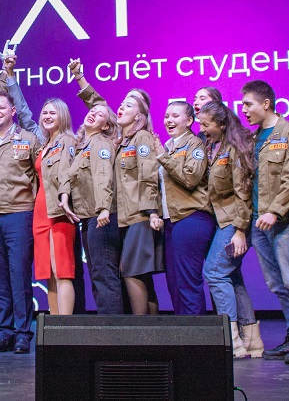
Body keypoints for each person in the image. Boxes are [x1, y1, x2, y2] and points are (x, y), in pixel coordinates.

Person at [70, 60, 164, 315]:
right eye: (122, 103)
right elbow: (99, 107)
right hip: (124, 217)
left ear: (140, 115)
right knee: (134, 275)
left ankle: (139, 330)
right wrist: (80, 77)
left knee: (132, 274)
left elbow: (148, 176)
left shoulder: (141, 137)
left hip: (137, 215)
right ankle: (148, 330)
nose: (120, 107)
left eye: (129, 104)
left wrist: (152, 212)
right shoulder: (120, 141)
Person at [241, 80, 289, 365]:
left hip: (285, 221)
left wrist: (274, 211)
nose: (244, 110)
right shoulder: (253, 138)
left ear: (266, 104)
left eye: (248, 104)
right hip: (258, 222)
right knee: (276, 283)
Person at [2, 56, 78, 316]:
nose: (46, 116)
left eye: (52, 112)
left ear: (62, 116)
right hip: (40, 212)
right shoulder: (42, 142)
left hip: (59, 209)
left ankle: (65, 328)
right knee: (48, 273)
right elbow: (23, 113)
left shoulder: (68, 140)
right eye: (44, 112)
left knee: (62, 270)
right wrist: (10, 77)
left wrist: (65, 198)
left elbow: (67, 172)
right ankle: (55, 327)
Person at [0, 88, 41, 354]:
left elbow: (41, 176)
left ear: (13, 111)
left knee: (19, 275)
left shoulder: (29, 139)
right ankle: (3, 332)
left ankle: (23, 333)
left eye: (1, 107)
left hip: (20, 214)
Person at [198, 101, 263, 358]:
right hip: (220, 220)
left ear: (222, 124)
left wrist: (240, 231)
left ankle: (232, 339)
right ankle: (252, 340)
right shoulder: (212, 147)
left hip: (234, 221)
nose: (202, 129)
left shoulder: (235, 149)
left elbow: (243, 192)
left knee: (214, 273)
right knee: (232, 277)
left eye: (206, 124)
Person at [64, 95, 123, 314]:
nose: (93, 114)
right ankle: (106, 326)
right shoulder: (84, 146)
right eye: (92, 111)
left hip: (102, 217)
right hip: (89, 217)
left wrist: (104, 208)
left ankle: (113, 329)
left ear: (106, 126)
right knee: (98, 274)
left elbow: (103, 175)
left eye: (100, 115)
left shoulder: (100, 143)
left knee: (104, 274)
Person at [156, 101, 214, 316]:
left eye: (175, 116)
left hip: (191, 217)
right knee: (174, 283)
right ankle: (183, 331)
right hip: (170, 220)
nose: (169, 120)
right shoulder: (168, 146)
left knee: (188, 281)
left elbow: (191, 178)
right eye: (166, 116)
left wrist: (163, 157)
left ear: (189, 121)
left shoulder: (194, 144)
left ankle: (197, 333)